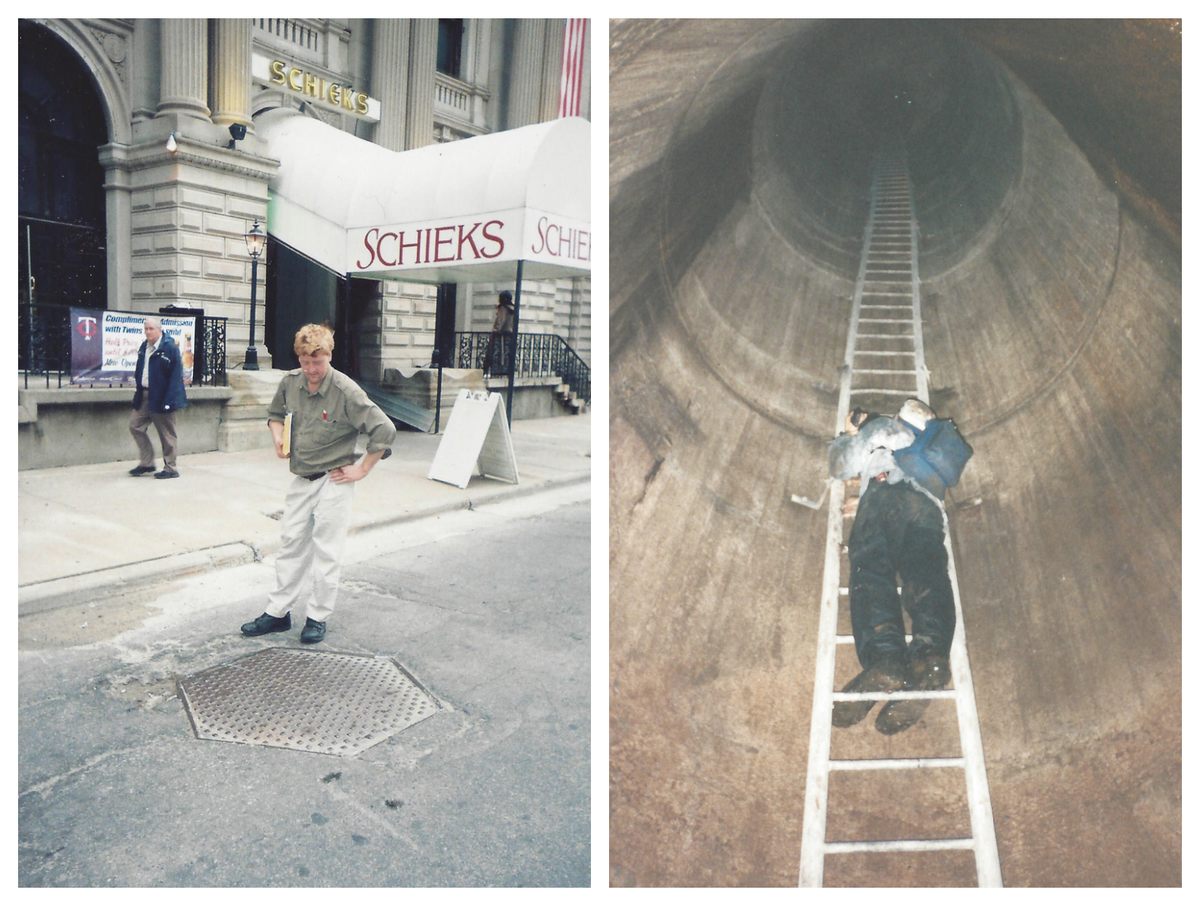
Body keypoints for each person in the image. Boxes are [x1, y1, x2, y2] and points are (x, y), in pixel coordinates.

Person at [240, 324, 396, 645]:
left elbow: (384, 429)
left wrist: (362, 469)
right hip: (301, 478)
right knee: (290, 545)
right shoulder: (290, 383)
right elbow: (274, 414)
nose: (311, 369)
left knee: (327, 551)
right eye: (305, 361)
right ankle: (278, 613)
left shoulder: (346, 391)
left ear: (329, 356)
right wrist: (278, 437)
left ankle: (317, 616)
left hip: (334, 481)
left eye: (318, 362)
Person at [827, 398, 958, 735]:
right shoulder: (929, 445)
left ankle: (886, 659)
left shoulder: (881, 427)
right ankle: (930, 659)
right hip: (927, 512)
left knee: (871, 574)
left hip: (884, 500)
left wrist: (850, 433)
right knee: (925, 575)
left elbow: (840, 466)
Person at [128, 317, 188, 479]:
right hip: (145, 395)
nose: (147, 332)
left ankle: (171, 468)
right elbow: (141, 369)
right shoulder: (144, 346)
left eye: (151, 329)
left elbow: (176, 377)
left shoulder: (169, 348)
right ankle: (147, 463)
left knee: (167, 434)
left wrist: (169, 400)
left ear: (159, 330)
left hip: (162, 397)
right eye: (146, 329)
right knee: (135, 425)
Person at [483, 289, 515, 376]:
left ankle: (496, 371)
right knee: (506, 354)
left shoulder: (503, 308)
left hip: (500, 335)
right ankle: (505, 370)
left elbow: (501, 320)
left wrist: (496, 330)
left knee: (495, 353)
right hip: (510, 334)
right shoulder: (513, 309)